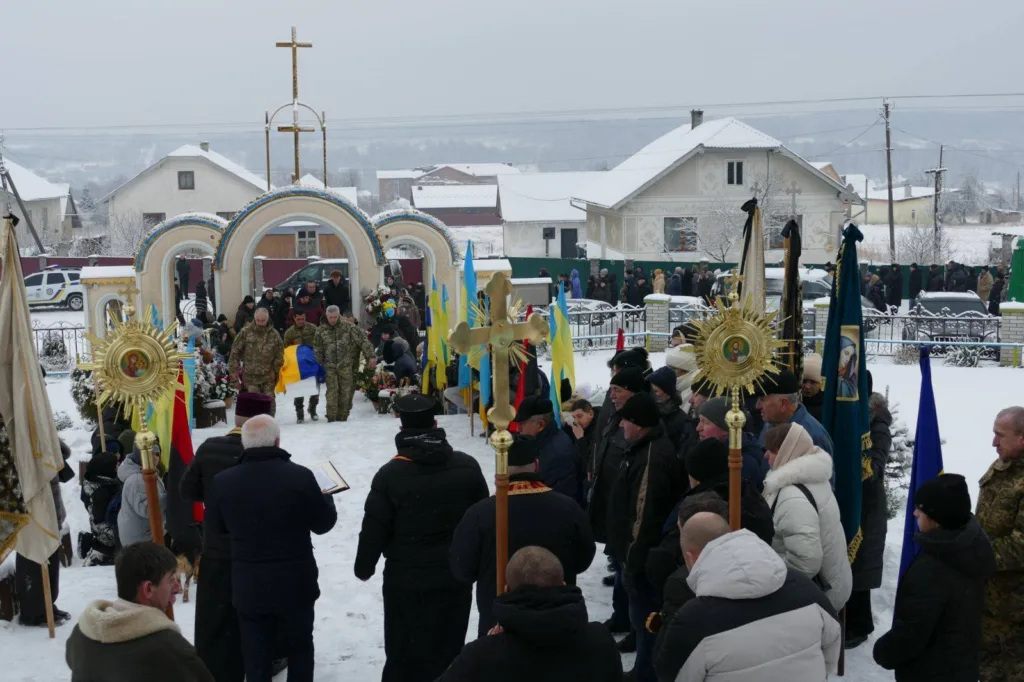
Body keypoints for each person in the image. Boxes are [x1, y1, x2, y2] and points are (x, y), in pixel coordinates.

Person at [355, 394, 489, 682]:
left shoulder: (391, 475)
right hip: (454, 576)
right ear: (436, 423)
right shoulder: (467, 466)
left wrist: (364, 567)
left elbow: (374, 527)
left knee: (404, 650)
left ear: (401, 430)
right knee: (448, 646)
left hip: (407, 579)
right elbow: (482, 520)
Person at [205, 415, 337, 682]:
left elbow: (216, 529)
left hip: (249, 583)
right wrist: (327, 498)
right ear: (277, 440)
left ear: (245, 444)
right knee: (300, 647)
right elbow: (323, 525)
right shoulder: (300, 477)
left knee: (255, 654)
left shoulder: (223, 482)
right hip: (295, 581)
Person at [654, 514, 841, 682]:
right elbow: (832, 648)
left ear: (691, 557)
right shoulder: (805, 587)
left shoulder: (693, 620)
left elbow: (671, 674)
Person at [450, 438, 596, 638]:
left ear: (500, 465)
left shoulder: (481, 513)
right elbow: (583, 559)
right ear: (536, 464)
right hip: (559, 620)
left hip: (500, 625)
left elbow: (462, 568)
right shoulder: (568, 508)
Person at [179, 392, 274, 682]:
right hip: (257, 553)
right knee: (256, 618)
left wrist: (214, 497)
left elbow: (187, 490)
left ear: (237, 418)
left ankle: (216, 668)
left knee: (216, 619)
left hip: (218, 549)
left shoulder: (210, 449)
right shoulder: (267, 454)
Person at [873, 474, 996, 682]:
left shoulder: (934, 568)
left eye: (920, 510)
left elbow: (913, 633)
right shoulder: (969, 549)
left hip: (930, 672)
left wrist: (883, 651)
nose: (914, 513)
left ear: (936, 518)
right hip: (961, 667)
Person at [436, 546, 621, 682]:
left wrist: (490, 646)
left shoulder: (480, 656)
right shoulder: (601, 642)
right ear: (563, 584)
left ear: (507, 590)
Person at [607, 391, 682, 682]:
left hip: (644, 557)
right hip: (636, 554)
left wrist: (632, 561)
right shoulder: (641, 448)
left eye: (626, 420)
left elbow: (644, 515)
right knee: (641, 617)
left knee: (647, 617)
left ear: (639, 424)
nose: (621, 425)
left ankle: (646, 675)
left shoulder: (652, 455)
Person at [65, 542, 214, 682]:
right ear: (148, 589)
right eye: (170, 580)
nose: (176, 587)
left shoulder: (80, 634)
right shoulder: (169, 650)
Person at [762, 423, 852, 612]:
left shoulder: (792, 496)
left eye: (771, 450)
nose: (765, 456)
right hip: (831, 584)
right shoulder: (813, 477)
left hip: (815, 598)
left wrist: (763, 573)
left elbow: (805, 562)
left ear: (785, 451)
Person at [976, 406, 1024, 681]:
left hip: (1015, 614)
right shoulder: (1002, 465)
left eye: (1000, 435)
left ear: (1022, 438)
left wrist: (975, 553)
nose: (994, 442)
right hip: (990, 604)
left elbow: (1021, 545)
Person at [846, 381, 892, 648]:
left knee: (860, 567)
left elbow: (875, 467)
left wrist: (854, 453)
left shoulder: (878, 426)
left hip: (869, 505)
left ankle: (859, 627)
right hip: (858, 502)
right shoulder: (863, 422)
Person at [512, 395, 581, 503]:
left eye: (522, 424)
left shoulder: (557, 456)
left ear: (540, 425)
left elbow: (562, 503)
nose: (518, 429)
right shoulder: (545, 440)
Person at [314, 305, 375, 422]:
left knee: (345, 392)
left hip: (345, 366)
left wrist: (371, 356)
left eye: (335, 317)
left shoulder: (349, 328)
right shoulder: (320, 330)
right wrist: (318, 366)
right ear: (326, 316)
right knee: (332, 392)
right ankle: (331, 417)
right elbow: (318, 350)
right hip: (329, 367)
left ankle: (342, 418)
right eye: (330, 317)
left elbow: (363, 341)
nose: (333, 320)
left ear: (339, 315)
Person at [756, 369, 833, 455]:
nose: (757, 406)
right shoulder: (770, 424)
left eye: (762, 400)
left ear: (783, 404)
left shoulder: (813, 436)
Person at [696, 397, 766, 490]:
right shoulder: (710, 452)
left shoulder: (744, 464)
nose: (698, 428)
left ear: (726, 429)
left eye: (706, 423)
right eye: (699, 421)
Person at [228, 307, 283, 416]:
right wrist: (234, 378)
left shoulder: (274, 334)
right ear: (254, 318)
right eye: (258, 320)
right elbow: (234, 354)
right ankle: (255, 429)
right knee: (254, 406)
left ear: (267, 319)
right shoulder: (245, 332)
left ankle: (269, 428)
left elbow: (279, 355)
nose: (260, 323)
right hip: (251, 378)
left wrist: (277, 374)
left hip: (268, 377)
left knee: (270, 404)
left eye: (263, 321)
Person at [117, 442, 166, 547]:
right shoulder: (138, 479)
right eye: (152, 454)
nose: (156, 458)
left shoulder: (147, 473)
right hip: (141, 542)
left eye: (158, 454)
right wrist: (168, 499)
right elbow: (147, 509)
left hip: (143, 536)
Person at [283, 310, 321, 423]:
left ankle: (313, 410)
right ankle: (299, 414)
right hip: (297, 366)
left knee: (314, 388)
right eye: (298, 319)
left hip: (311, 362)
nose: (301, 321)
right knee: (298, 390)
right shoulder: (289, 333)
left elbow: (319, 343)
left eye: (303, 319)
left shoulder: (313, 328)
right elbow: (286, 350)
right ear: (294, 318)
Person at [647, 365, 693, 453]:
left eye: (656, 391)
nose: (652, 394)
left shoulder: (681, 420)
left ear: (667, 393)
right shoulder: (650, 412)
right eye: (651, 390)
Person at [800, 353, 824, 423]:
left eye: (813, 382)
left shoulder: (827, 408)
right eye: (804, 381)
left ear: (820, 384)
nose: (807, 386)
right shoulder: (795, 405)